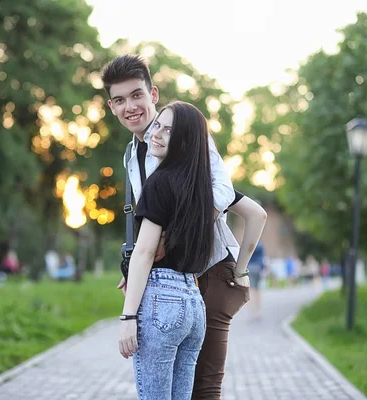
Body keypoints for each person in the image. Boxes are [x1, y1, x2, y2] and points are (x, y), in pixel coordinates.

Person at [102, 55, 267, 399]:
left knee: (202, 387)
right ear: (111, 106)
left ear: (153, 95)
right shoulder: (132, 155)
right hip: (171, 277)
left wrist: (175, 240)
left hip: (207, 269)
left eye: (137, 95)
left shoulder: (183, 135)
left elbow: (221, 190)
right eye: (120, 100)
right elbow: (145, 219)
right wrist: (137, 265)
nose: (130, 107)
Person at [118, 101, 213, 399]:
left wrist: (128, 317)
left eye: (168, 130)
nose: (155, 134)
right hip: (194, 304)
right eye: (158, 125)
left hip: (162, 301)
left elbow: (145, 253)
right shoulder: (200, 189)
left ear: (184, 140)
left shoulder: (159, 182)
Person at [247, 241, 266, 320]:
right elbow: (262, 258)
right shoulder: (261, 245)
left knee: (251, 290)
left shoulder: (248, 244)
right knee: (258, 291)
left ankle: (252, 312)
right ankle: (258, 312)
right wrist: (263, 269)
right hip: (258, 268)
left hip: (250, 268)